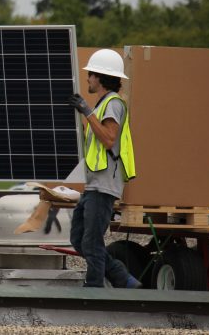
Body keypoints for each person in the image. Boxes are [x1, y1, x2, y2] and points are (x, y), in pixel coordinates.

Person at [68, 48, 139, 288]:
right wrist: (86, 113)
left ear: (100, 77)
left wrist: (86, 112)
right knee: (79, 238)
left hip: (105, 185)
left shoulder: (113, 104)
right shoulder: (102, 105)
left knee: (92, 241)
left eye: (91, 74)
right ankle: (123, 279)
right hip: (94, 185)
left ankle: (95, 289)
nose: (87, 78)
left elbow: (109, 138)